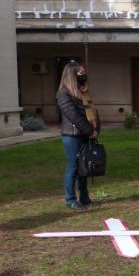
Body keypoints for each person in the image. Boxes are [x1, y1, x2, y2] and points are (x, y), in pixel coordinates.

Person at [56, 61, 100, 211]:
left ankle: (85, 198)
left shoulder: (83, 92)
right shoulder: (64, 94)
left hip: (85, 134)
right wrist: (90, 131)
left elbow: (93, 111)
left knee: (84, 168)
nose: (84, 75)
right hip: (72, 136)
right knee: (73, 167)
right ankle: (70, 199)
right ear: (72, 76)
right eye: (80, 73)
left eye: (83, 72)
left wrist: (96, 129)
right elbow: (74, 116)